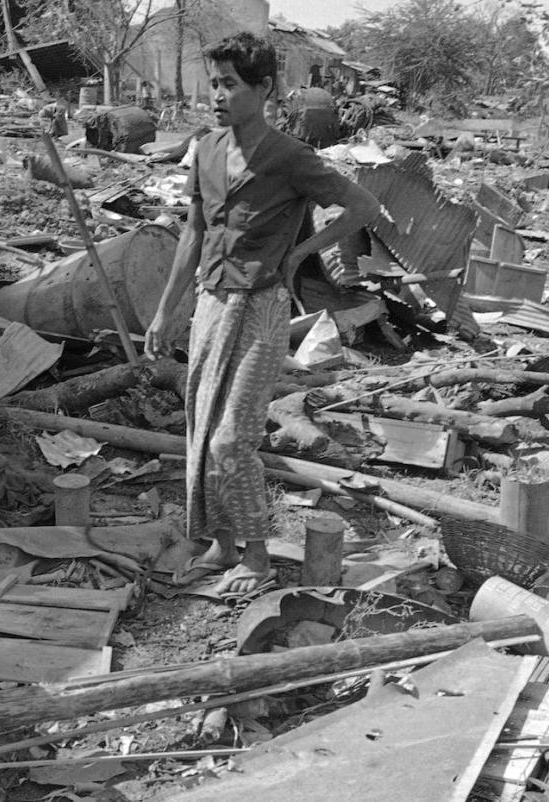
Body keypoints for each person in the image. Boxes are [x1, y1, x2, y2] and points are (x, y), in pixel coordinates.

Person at [144, 32, 381, 595]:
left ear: (264, 88)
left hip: (262, 308)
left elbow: (364, 206)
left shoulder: (290, 157)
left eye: (229, 85)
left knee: (233, 439)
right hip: (210, 302)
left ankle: (256, 557)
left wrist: (300, 254)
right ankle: (221, 545)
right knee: (201, 432)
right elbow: (192, 236)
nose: (218, 95)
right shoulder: (204, 149)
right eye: (215, 83)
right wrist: (162, 314)